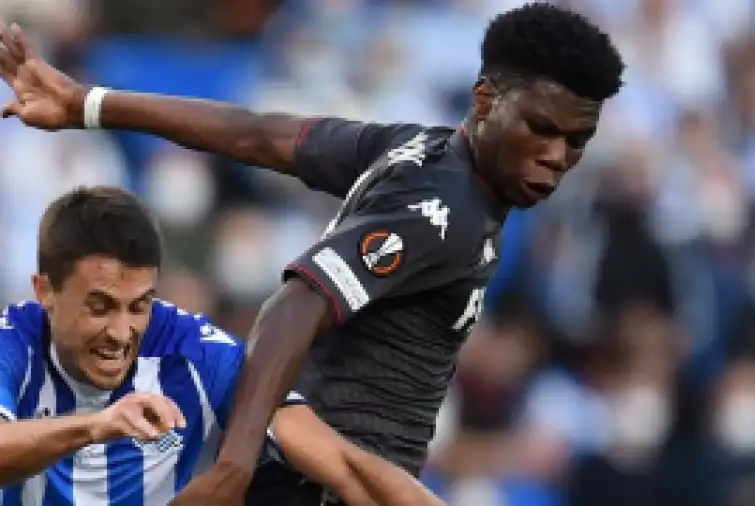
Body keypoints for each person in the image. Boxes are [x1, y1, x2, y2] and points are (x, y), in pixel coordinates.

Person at [0, 3, 625, 505]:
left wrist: (90, 105)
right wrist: (235, 466)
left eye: (577, 140)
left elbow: (257, 135)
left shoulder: (417, 151)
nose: (556, 156)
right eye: (541, 128)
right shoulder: (441, 211)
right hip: (318, 486)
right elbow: (294, 305)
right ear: (485, 99)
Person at [0, 186, 444, 506]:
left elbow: (346, 468)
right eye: (99, 307)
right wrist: (97, 425)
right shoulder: (12, 341)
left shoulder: (198, 354)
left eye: (139, 306)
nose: (120, 332)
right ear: (45, 291)